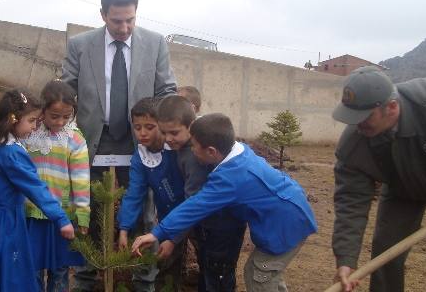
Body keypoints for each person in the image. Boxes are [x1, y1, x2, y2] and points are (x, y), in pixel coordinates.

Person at [62, 0, 177, 291]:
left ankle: (144, 283)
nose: (124, 27)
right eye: (116, 21)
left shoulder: (155, 44)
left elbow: (166, 91)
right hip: (93, 145)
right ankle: (86, 281)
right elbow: (66, 92)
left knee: (143, 215)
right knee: (90, 216)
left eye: (131, 19)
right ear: (102, 15)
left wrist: (161, 133)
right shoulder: (80, 45)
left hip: (140, 145)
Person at [132, 113, 318, 292]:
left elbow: (195, 206)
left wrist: (158, 233)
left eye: (194, 146)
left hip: (286, 226)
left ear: (212, 151)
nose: (192, 150)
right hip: (291, 212)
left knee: (259, 274)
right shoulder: (238, 150)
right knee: (267, 273)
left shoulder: (231, 178)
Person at [331, 66, 426, 292]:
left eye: (364, 117)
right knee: (385, 253)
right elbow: (351, 202)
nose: (357, 125)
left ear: (391, 107)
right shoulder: (354, 144)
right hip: (403, 189)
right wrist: (345, 260)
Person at [0, 89, 75, 292]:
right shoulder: (12, 154)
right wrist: (61, 218)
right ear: (13, 120)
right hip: (5, 222)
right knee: (10, 274)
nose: (35, 127)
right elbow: (36, 188)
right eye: (32, 121)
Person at [157, 95, 246, 291]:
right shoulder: (187, 144)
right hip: (208, 224)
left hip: (220, 226)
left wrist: (172, 238)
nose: (167, 139)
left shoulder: (195, 156)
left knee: (217, 275)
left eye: (174, 132)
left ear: (191, 126)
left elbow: (194, 203)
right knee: (208, 271)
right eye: (163, 132)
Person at [21, 80, 90, 291]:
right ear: (43, 110)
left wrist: (83, 214)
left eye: (66, 117)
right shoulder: (29, 134)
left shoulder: (75, 140)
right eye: (54, 116)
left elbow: (81, 179)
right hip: (31, 213)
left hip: (62, 218)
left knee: (59, 270)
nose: (60, 121)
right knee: (30, 267)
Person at [117, 97, 186, 289]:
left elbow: (192, 193)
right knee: (168, 265)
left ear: (161, 125)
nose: (142, 133)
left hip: (193, 211)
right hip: (168, 218)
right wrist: (124, 229)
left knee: (208, 260)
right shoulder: (141, 157)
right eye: (137, 127)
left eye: (149, 127)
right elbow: (134, 194)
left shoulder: (176, 149)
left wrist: (174, 237)